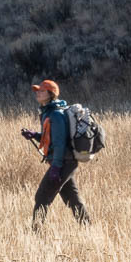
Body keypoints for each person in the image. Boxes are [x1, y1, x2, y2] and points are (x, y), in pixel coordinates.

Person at [20, 79, 90, 230]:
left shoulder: (56, 115)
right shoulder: (49, 112)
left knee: (42, 197)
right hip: (66, 161)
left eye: (42, 91)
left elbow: (59, 144)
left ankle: (36, 232)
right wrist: (34, 135)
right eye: (37, 91)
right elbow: (51, 138)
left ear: (51, 94)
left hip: (63, 162)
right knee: (72, 199)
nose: (38, 93)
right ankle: (87, 228)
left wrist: (56, 168)